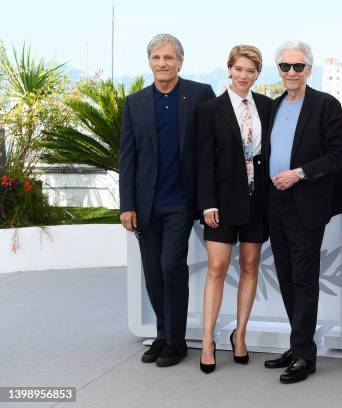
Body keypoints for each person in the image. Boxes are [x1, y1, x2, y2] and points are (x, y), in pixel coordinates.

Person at [119, 34, 215, 367]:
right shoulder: (134, 103)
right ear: (149, 61)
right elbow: (127, 157)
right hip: (146, 204)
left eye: (169, 58)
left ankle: (176, 341)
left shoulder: (200, 95)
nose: (163, 63)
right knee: (153, 274)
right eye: (157, 57)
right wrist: (126, 205)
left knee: (171, 265)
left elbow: (211, 148)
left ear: (180, 62)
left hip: (181, 201)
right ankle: (162, 335)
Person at [262, 40, 342, 384]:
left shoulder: (326, 105)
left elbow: (337, 154)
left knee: (303, 278)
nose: (292, 72)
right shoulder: (273, 106)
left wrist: (299, 173)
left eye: (298, 67)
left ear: (309, 70)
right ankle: (298, 343)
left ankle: (304, 356)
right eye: (285, 66)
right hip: (274, 202)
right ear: (279, 70)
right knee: (285, 276)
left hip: (307, 203)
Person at [196, 45, 273, 374]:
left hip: (257, 200)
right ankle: (207, 340)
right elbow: (202, 161)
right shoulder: (209, 109)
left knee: (251, 265)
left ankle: (239, 335)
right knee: (216, 267)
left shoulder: (268, 107)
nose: (244, 76)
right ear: (229, 69)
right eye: (239, 69)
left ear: (258, 74)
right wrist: (207, 203)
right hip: (221, 202)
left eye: (251, 71)